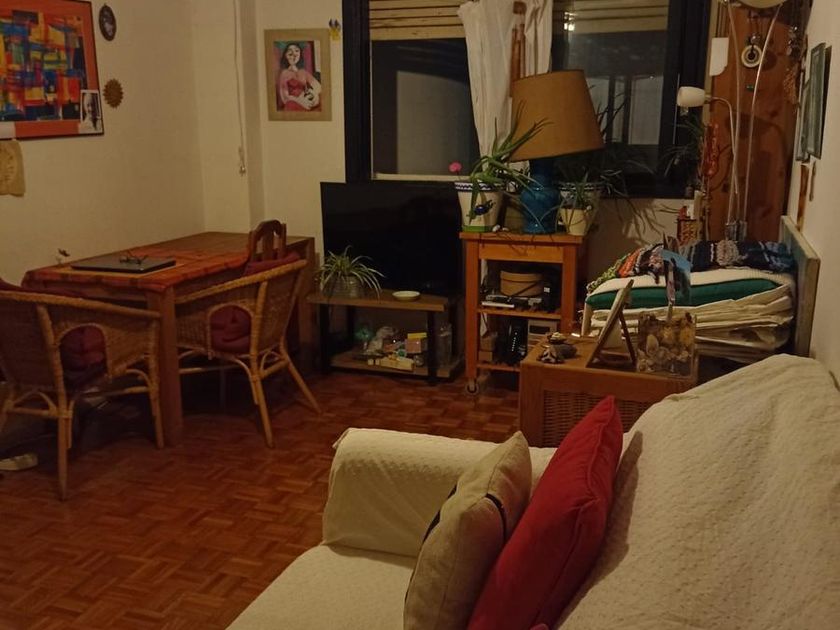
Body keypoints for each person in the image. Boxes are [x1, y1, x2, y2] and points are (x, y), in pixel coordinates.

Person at [276, 42, 321, 111]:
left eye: (297, 51)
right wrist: (300, 101)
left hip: (306, 100)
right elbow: (285, 98)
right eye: (290, 53)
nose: (294, 55)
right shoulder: (284, 74)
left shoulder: (303, 72)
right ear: (285, 55)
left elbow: (318, 87)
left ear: (299, 55)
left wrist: (314, 96)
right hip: (293, 102)